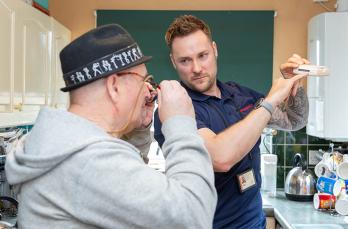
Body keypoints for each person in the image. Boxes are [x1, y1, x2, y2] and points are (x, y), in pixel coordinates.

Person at [5, 24, 217, 229]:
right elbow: (193, 216)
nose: (147, 90)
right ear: (114, 86)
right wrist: (180, 123)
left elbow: (124, 174)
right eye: (144, 80)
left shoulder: (60, 143)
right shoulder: (89, 162)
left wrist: (139, 128)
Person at [154, 15, 309, 229]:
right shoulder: (175, 108)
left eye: (203, 55)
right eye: (185, 60)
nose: (197, 68)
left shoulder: (239, 94)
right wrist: (271, 100)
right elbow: (221, 158)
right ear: (173, 61)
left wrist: (294, 83)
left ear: (215, 50)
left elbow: (295, 121)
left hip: (254, 223)